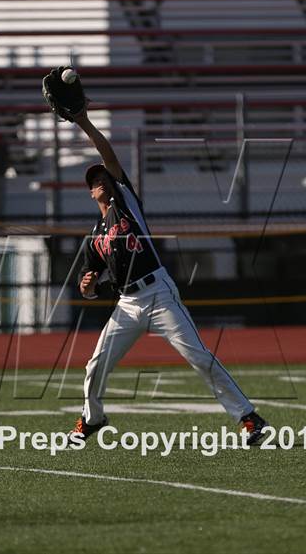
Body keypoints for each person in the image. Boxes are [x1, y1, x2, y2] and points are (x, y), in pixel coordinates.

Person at [68, 107, 268, 445]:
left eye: (102, 177)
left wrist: (83, 121)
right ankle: (93, 418)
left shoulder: (125, 203)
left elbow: (108, 155)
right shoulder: (94, 237)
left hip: (158, 294)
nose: (99, 181)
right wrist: (86, 288)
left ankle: (249, 418)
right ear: (90, 193)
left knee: (200, 358)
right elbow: (90, 284)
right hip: (127, 303)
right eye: (93, 181)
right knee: (94, 366)